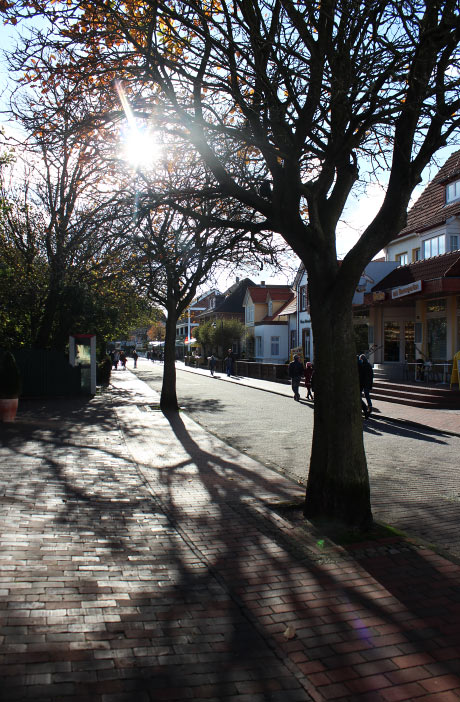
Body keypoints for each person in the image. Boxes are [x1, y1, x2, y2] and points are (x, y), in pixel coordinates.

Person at [358, 353, 374, 418]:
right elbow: (371, 376)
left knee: (362, 395)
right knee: (367, 394)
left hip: (363, 383)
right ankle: (370, 406)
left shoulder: (362, 366)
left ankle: (366, 407)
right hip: (367, 383)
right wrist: (371, 384)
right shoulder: (369, 365)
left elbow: (362, 376)